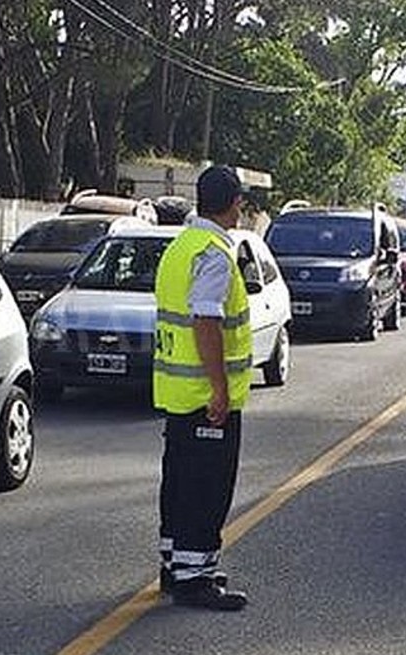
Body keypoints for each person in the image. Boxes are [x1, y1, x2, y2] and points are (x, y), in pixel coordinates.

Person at [153, 166, 252, 611]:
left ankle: (178, 567)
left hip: (177, 395)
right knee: (206, 488)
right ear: (235, 205)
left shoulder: (181, 245)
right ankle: (194, 581)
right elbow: (205, 320)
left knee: (178, 484)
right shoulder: (213, 253)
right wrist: (219, 389)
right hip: (203, 399)